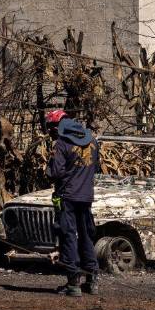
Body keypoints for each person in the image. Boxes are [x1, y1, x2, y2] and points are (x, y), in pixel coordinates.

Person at [45, 109, 100, 297]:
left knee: (68, 236)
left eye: (51, 128)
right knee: (86, 236)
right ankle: (92, 281)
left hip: (67, 197)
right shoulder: (92, 141)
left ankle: (73, 283)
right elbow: (96, 167)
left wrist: (48, 167)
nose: (50, 132)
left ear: (57, 126)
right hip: (86, 197)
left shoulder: (62, 143)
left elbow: (55, 173)